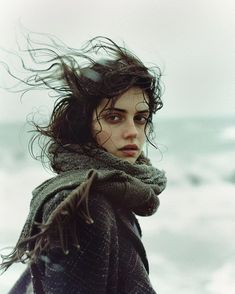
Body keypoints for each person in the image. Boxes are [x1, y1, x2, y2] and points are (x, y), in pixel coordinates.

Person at [0, 35, 167, 293]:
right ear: (84, 124)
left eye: (141, 118)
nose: (132, 131)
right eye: (114, 117)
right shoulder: (84, 206)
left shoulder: (115, 190)